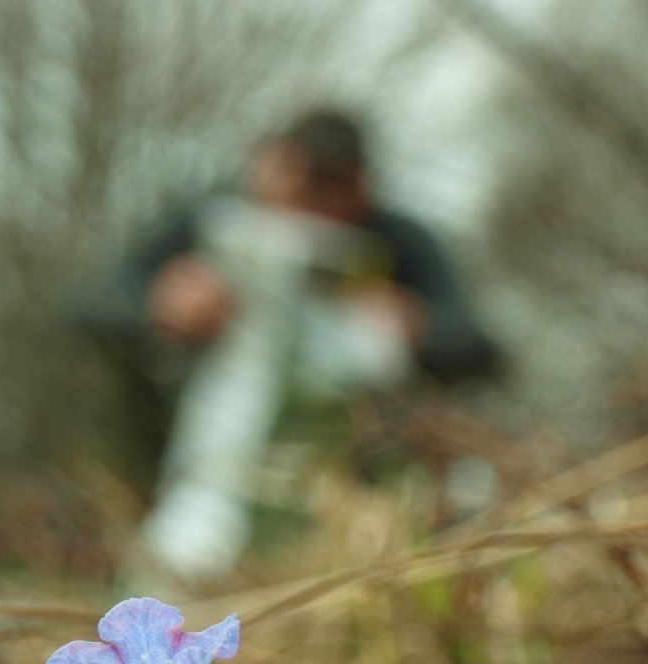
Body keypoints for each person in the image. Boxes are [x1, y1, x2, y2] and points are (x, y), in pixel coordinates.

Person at [73, 109, 500, 581]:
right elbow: (89, 304)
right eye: (292, 181)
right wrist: (164, 306)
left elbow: (480, 346)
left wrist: (414, 326)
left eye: (326, 187)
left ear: (357, 185)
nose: (305, 205)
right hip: (195, 462)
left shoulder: (399, 242)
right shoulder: (212, 222)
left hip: (354, 487)